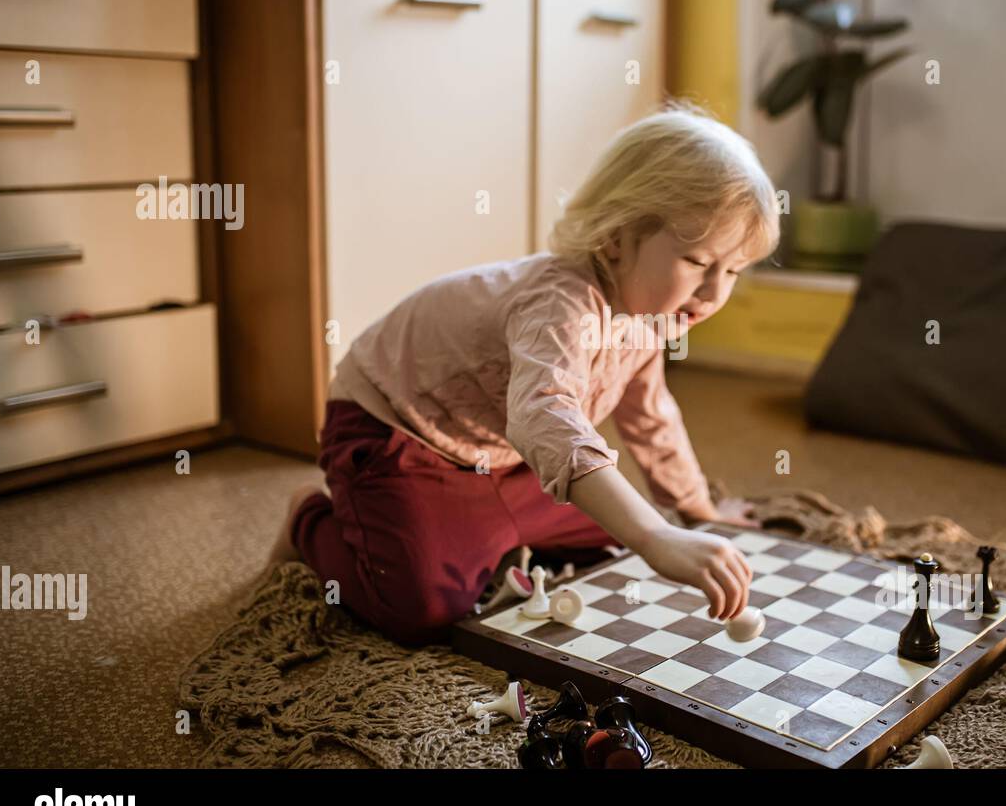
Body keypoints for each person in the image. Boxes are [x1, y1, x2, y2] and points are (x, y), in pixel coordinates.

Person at [271, 101, 781, 646]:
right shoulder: (560, 301)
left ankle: (484, 527)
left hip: (503, 454)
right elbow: (545, 417)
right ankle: (310, 519)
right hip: (397, 432)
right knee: (422, 606)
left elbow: (650, 412)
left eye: (733, 271)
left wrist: (694, 509)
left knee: (616, 544)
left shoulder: (650, 314)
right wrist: (656, 534)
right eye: (699, 262)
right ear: (616, 236)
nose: (714, 292)